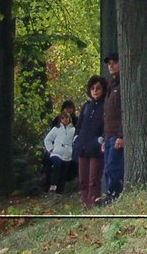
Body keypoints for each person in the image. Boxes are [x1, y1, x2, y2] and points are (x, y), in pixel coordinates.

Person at [75, 75, 106, 208]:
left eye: (98, 88)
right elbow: (79, 125)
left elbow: (107, 125)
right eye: (92, 88)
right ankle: (85, 204)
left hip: (96, 148)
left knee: (94, 179)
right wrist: (77, 139)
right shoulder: (87, 106)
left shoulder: (105, 105)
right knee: (83, 179)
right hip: (83, 147)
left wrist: (101, 140)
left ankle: (94, 204)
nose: (95, 91)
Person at [100, 53, 123, 201]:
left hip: (117, 134)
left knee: (113, 167)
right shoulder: (109, 85)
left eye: (115, 62)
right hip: (108, 134)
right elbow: (106, 113)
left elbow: (125, 111)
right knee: (107, 168)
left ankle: (115, 194)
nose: (112, 65)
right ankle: (109, 194)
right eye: (109, 63)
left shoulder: (123, 84)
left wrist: (122, 135)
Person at [42, 102, 77, 193]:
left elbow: (76, 140)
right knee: (56, 165)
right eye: (63, 118)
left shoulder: (73, 130)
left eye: (67, 118)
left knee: (63, 173)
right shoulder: (56, 129)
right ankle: (53, 185)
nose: (65, 119)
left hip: (68, 154)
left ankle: (59, 192)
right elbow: (47, 139)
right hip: (56, 152)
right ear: (60, 119)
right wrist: (51, 149)